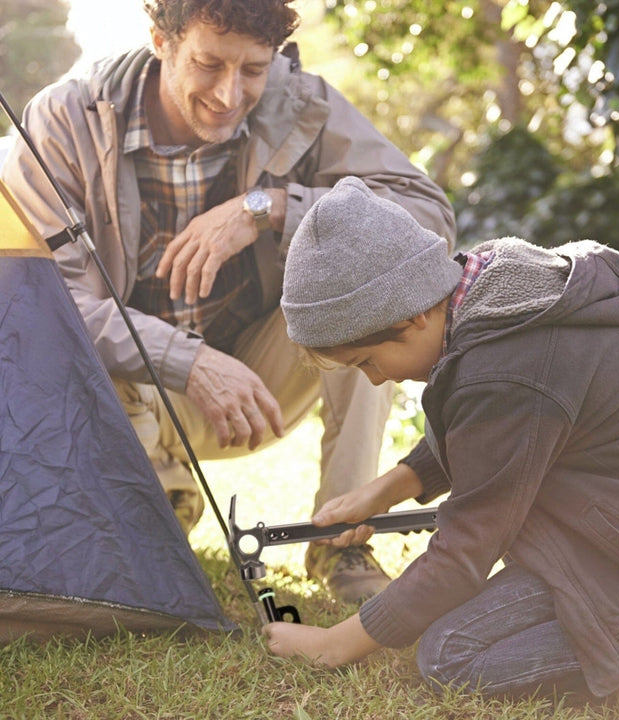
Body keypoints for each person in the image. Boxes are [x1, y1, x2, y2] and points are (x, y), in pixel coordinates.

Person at [0, 0, 456, 604]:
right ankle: (161, 513)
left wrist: (265, 209)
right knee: (140, 560)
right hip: (126, 395)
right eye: (209, 64)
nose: (229, 93)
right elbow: (46, 303)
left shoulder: (305, 104)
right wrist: (191, 361)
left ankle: (342, 542)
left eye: (253, 70)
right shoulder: (63, 120)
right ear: (160, 40)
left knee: (368, 300)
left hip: (263, 380)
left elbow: (425, 223)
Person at [266, 176, 619, 701]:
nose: (373, 378)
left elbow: (462, 554)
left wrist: (334, 644)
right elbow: (499, 436)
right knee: (452, 635)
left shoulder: (505, 368)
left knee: (453, 656)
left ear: (412, 313)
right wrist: (383, 491)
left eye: (367, 360)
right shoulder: (494, 291)